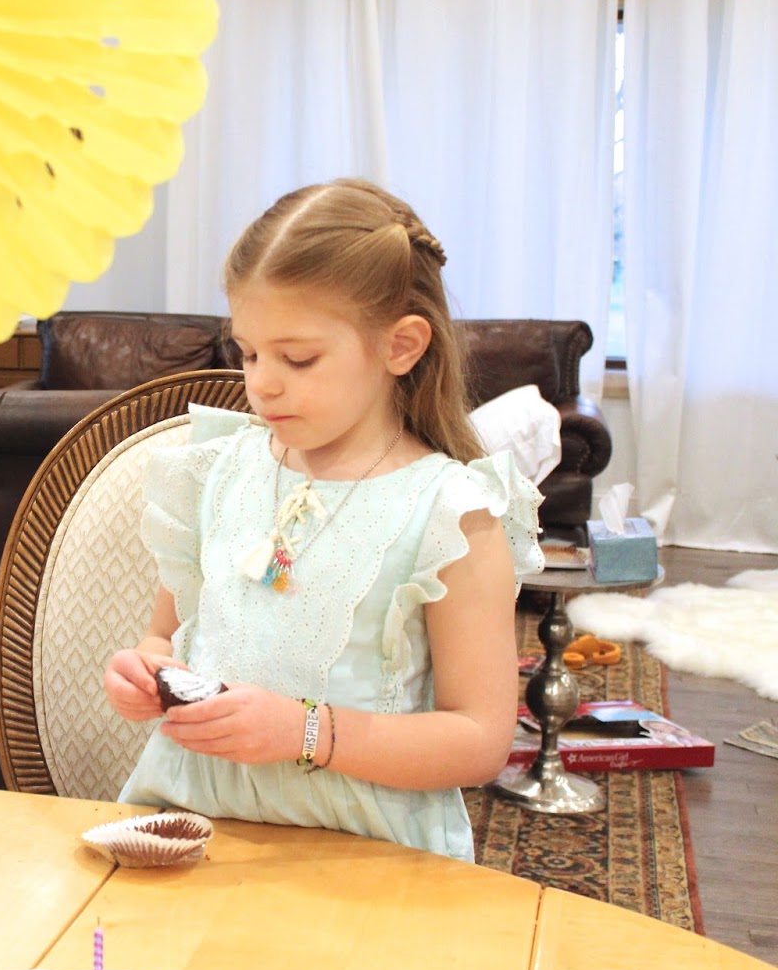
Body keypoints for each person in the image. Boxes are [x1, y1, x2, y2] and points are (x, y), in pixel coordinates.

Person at [103, 178, 543, 861]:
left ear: (401, 346)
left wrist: (304, 732)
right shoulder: (217, 472)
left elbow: (480, 740)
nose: (261, 382)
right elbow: (166, 636)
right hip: (192, 832)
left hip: (365, 856)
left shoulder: (452, 513)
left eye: (298, 358)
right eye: (248, 352)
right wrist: (146, 671)